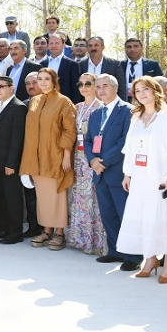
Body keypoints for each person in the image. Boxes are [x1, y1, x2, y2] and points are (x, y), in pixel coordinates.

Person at [116, 76, 167, 283]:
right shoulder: (136, 117)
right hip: (139, 177)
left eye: (145, 89)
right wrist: (128, 174)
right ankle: (150, 259)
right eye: (137, 91)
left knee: (165, 219)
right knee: (144, 218)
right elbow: (129, 148)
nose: (141, 94)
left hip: (160, 176)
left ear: (155, 91)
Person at [84, 74, 140, 271]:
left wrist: (103, 162)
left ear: (116, 88)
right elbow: (88, 139)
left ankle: (132, 256)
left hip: (118, 172)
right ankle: (115, 251)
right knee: (107, 213)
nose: (101, 90)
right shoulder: (96, 113)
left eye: (105, 86)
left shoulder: (128, 111)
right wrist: (92, 161)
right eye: (97, 86)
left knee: (124, 213)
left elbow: (125, 141)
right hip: (99, 173)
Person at [20, 68, 77, 251]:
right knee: (42, 197)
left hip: (55, 156)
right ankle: (46, 230)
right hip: (36, 158)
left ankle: (59, 233)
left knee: (57, 195)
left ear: (54, 81)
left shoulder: (63, 102)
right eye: (39, 79)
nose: (42, 82)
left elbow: (69, 131)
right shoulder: (34, 101)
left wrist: (66, 155)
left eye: (46, 79)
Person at [66, 73, 107, 255]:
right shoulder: (77, 107)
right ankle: (81, 239)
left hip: (94, 158)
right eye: (80, 83)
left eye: (88, 83)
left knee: (95, 199)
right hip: (78, 158)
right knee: (80, 198)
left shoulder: (102, 107)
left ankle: (98, 242)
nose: (84, 86)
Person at [0, 76, 28, 244]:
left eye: (1, 86)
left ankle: (15, 232)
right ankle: (4, 228)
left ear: (12, 88)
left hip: (8, 164)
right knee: (1, 198)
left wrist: (11, 163)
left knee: (12, 198)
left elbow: (17, 138)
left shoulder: (17, 107)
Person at [120, 37, 163, 102]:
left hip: (147, 102)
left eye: (136, 46)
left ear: (142, 47)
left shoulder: (153, 65)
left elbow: (160, 84)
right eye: (129, 47)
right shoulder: (119, 65)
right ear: (125, 49)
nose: (132, 49)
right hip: (124, 104)